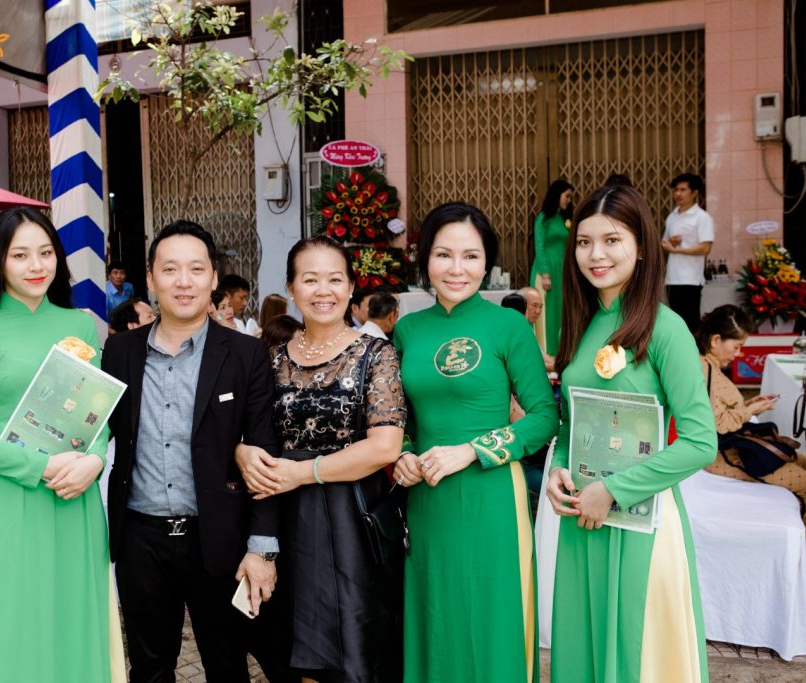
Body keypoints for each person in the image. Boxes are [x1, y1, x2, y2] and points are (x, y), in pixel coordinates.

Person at [101, 220, 288, 683]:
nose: (183, 282)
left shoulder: (245, 354)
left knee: (227, 668)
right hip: (140, 538)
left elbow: (264, 450)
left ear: (212, 278)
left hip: (219, 536)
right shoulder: (118, 352)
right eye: (170, 269)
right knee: (149, 668)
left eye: (196, 269)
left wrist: (262, 549)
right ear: (151, 279)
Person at [0, 207, 124, 681]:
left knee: (76, 617)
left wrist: (95, 461)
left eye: (45, 253)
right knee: (17, 622)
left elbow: (96, 412)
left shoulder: (79, 325)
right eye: (20, 255)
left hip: (76, 497)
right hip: (13, 495)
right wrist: (40, 467)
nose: (36, 265)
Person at [546, 185, 717, 682]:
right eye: (584, 242)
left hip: (642, 522)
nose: (595, 255)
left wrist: (614, 490)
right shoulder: (581, 324)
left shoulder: (666, 328)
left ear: (642, 247)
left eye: (612, 240)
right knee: (583, 649)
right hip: (584, 520)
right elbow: (569, 422)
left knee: (636, 657)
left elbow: (701, 442)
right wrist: (558, 469)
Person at [391, 203, 558, 682]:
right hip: (427, 498)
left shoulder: (509, 327)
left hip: (492, 497)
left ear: (487, 263)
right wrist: (403, 454)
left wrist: (472, 450)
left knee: (492, 617)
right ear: (425, 259)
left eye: (470, 256)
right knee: (434, 615)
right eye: (444, 254)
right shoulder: (407, 329)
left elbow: (544, 417)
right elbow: (398, 416)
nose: (456, 268)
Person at [236, 235, 407, 682]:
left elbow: (385, 446)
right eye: (310, 279)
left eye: (334, 279)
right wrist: (241, 449)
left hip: (353, 519)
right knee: (287, 648)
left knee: (352, 651)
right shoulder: (269, 360)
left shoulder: (376, 354)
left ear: (351, 287)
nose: (323, 290)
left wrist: (304, 472)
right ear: (291, 288)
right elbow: (248, 431)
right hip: (282, 515)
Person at [697, 305, 806, 537]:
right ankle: (798, 550)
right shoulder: (705, 372)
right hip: (723, 454)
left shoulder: (709, 367)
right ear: (715, 340)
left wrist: (750, 405)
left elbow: (720, 410)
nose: (738, 354)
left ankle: (797, 531)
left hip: (732, 444)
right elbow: (719, 424)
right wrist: (750, 409)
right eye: (736, 347)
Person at [662, 173, 714, 334]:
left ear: (695, 193)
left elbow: (705, 248)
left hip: (691, 279)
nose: (678, 194)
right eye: (676, 190)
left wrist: (677, 250)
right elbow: (664, 243)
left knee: (690, 322)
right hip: (672, 277)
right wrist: (671, 242)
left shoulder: (702, 217)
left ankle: (692, 349)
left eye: (683, 190)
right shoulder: (672, 216)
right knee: (674, 321)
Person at [530, 179, 574, 356]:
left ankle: (559, 352)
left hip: (562, 271)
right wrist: (545, 274)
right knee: (544, 312)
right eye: (567, 196)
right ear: (557, 195)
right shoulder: (543, 218)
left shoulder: (565, 219)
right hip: (546, 270)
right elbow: (539, 246)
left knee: (559, 311)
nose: (569, 200)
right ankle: (544, 352)